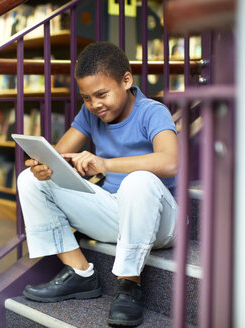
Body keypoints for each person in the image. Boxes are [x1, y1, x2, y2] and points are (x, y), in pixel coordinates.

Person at [17, 41, 178, 326]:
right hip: (116, 213)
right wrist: (44, 168)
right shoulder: (91, 114)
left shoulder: (153, 111)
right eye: (87, 98)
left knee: (137, 181)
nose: (94, 104)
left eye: (101, 94)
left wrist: (105, 164)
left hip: (162, 220)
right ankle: (80, 273)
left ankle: (129, 286)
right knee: (30, 180)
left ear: (126, 80)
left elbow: (170, 162)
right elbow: (59, 157)